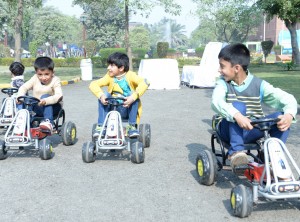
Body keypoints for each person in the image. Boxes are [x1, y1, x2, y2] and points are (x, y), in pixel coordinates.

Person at [211, 43, 297, 169]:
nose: (219, 70)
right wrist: (237, 115)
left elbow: (288, 99)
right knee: (238, 107)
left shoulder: (259, 85)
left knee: (280, 117)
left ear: (236, 68)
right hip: (228, 130)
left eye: (222, 66)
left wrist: (289, 115)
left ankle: (273, 160)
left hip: (251, 130)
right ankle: (236, 152)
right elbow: (216, 101)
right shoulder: (223, 84)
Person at [89, 52, 150, 139]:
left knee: (132, 95)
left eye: (111, 65)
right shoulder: (109, 77)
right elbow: (93, 84)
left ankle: (132, 126)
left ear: (121, 68)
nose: (108, 68)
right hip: (111, 107)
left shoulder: (130, 75)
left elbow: (145, 82)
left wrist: (133, 97)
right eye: (109, 65)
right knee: (105, 95)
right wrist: (101, 95)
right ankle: (101, 126)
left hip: (126, 108)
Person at [17, 56, 63, 131]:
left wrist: (46, 101)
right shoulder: (35, 78)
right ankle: (22, 122)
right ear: (36, 73)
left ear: (52, 72)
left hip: (53, 107)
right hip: (38, 107)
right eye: (40, 74)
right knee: (26, 100)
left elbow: (59, 95)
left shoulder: (55, 80)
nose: (43, 77)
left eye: (46, 74)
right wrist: (20, 97)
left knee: (45, 96)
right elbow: (23, 87)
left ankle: (48, 122)